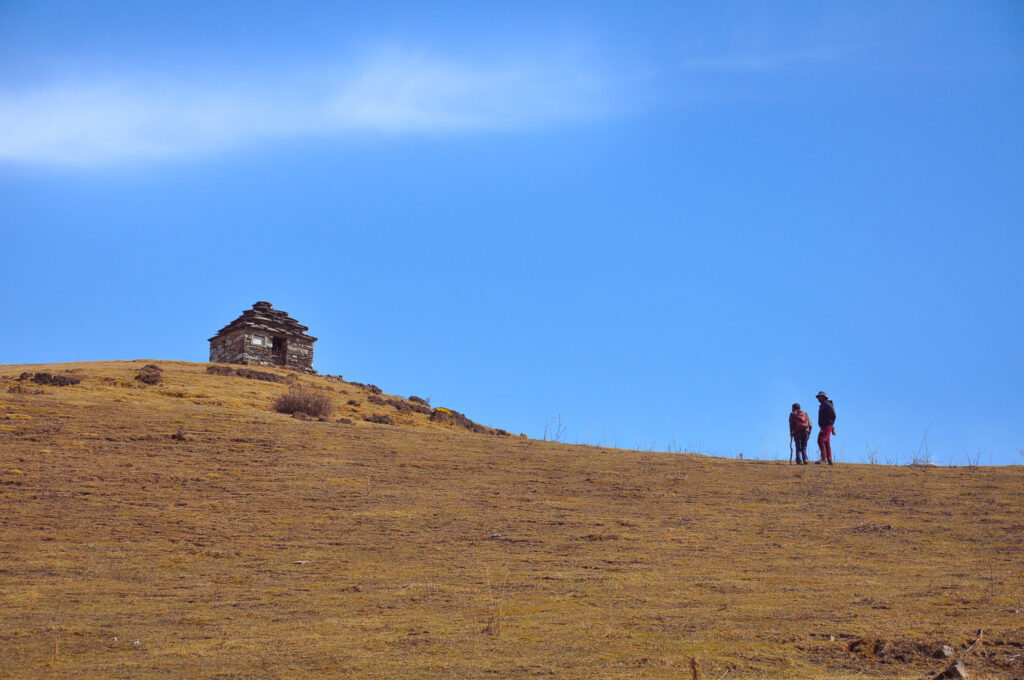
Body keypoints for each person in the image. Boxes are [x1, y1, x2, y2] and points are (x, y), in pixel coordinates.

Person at [815, 391, 836, 465]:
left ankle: (824, 459)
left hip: (826, 426)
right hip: (824, 426)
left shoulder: (827, 404)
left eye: (820, 397)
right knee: (826, 442)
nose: (818, 398)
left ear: (824, 397)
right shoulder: (823, 405)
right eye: (818, 397)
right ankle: (829, 460)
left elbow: (833, 415)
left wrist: (831, 426)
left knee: (820, 440)